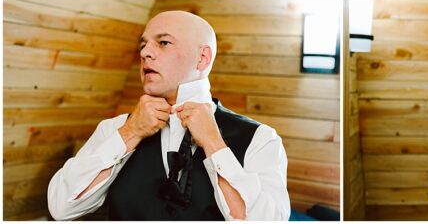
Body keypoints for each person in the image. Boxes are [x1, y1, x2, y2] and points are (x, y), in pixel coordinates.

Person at [47, 11, 290, 220]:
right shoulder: (114, 129)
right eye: (143, 45)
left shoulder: (260, 139)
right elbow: (61, 208)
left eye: (163, 43)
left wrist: (214, 144)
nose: (145, 53)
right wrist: (130, 133)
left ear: (202, 58)